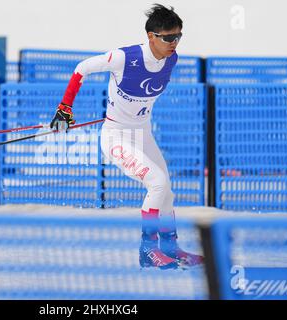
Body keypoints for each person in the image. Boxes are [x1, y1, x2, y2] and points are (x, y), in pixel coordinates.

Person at [50, 4, 203, 269]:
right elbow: (81, 68)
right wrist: (64, 108)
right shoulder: (124, 57)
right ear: (151, 36)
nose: (174, 43)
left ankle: (170, 248)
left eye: (178, 36)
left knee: (166, 190)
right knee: (156, 183)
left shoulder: (172, 58)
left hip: (142, 133)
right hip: (116, 137)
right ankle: (148, 250)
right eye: (168, 37)